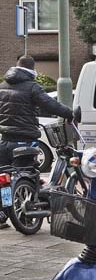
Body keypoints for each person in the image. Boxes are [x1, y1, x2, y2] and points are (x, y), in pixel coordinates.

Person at [0, 56, 74, 228]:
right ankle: (27, 212)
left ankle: (2, 214)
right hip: (25, 141)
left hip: (4, 141)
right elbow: (50, 105)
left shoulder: (2, 86)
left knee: (4, 179)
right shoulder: (32, 87)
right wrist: (69, 113)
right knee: (29, 174)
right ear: (32, 70)